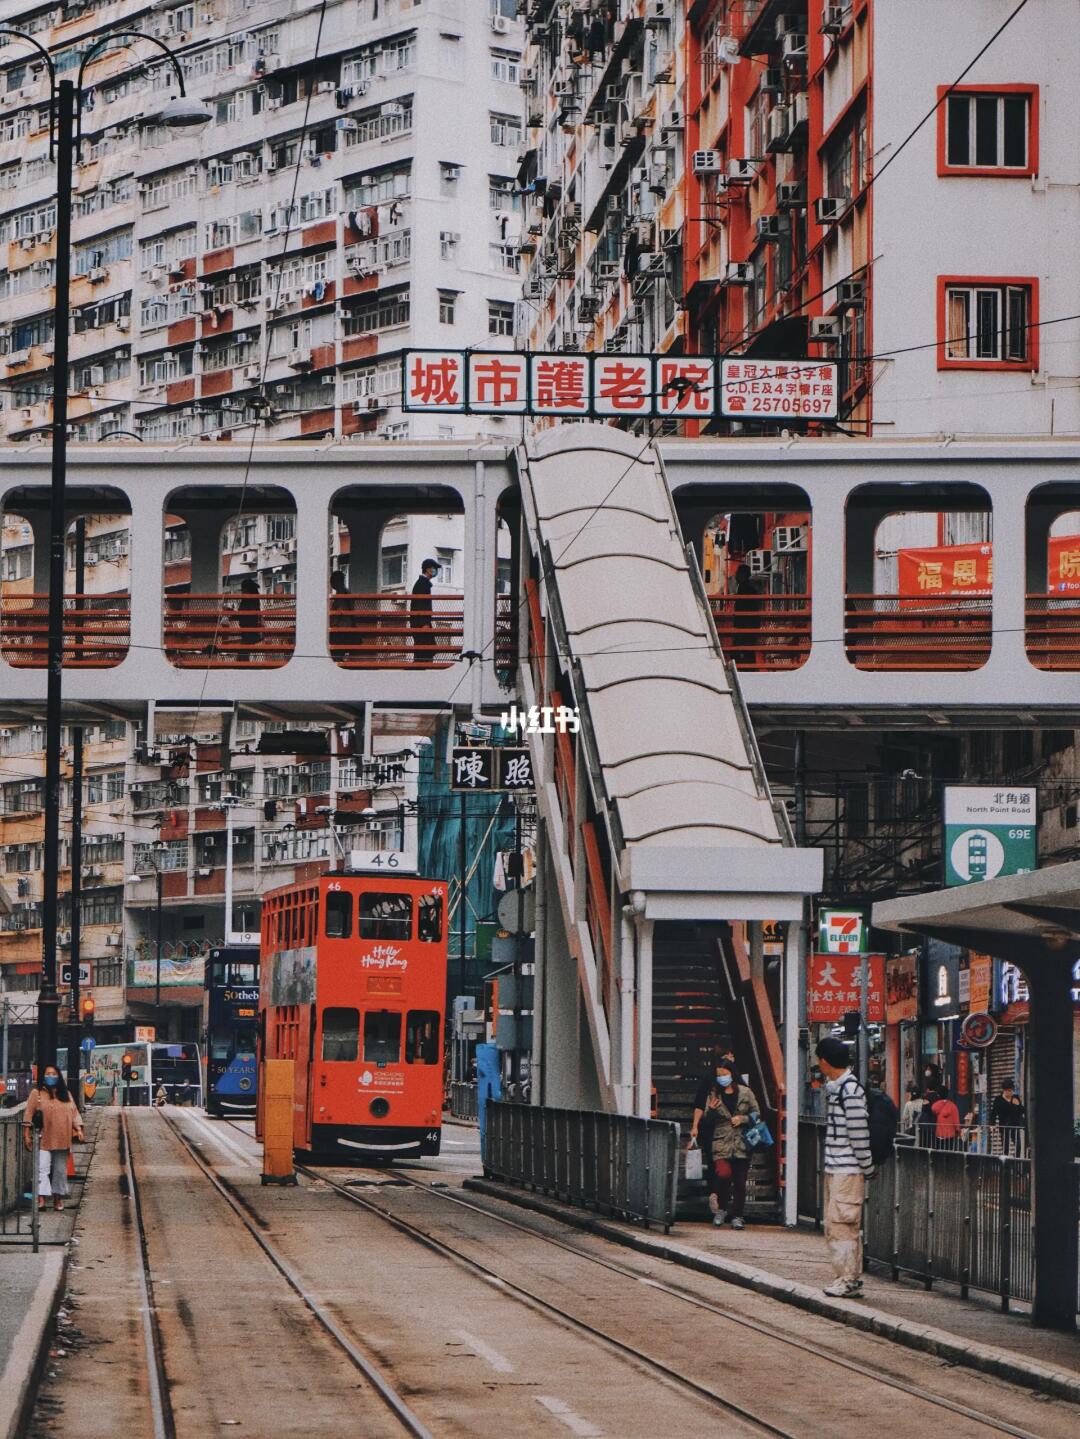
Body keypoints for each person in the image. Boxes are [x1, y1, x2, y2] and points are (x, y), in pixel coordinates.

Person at [815, 1036, 874, 1298]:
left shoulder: (849, 1090)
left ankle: (848, 1279)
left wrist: (866, 1166)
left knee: (842, 1225)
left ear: (824, 1061)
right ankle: (846, 1277)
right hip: (837, 1168)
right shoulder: (838, 1089)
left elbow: (858, 1132)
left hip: (847, 1170)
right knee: (836, 1225)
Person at [704, 1060, 760, 1230]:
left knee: (740, 1182)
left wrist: (743, 1119)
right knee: (723, 1174)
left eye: (724, 1074)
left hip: (742, 1143)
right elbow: (706, 1121)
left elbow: (756, 1114)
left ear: (732, 1074)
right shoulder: (714, 1094)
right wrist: (711, 1110)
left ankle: (737, 1216)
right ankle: (721, 1209)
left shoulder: (746, 1092)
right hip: (721, 1142)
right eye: (718, 1075)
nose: (722, 1078)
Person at [24, 1066, 84, 1212]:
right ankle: (41, 1198)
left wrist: (79, 1129)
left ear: (59, 1077)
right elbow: (28, 1114)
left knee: (60, 1171)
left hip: (62, 1138)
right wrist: (26, 1135)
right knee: (42, 1169)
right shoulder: (36, 1093)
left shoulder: (66, 1094)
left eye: (53, 1074)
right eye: (48, 1074)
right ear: (43, 1077)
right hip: (43, 1138)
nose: (50, 1076)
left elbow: (74, 1113)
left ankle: (58, 1198)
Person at [690, 1046, 740, 1219]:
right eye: (728, 1055)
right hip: (712, 1128)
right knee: (716, 1164)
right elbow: (699, 1104)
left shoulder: (738, 1081)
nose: (730, 1058)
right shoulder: (710, 1079)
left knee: (726, 1166)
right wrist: (695, 1126)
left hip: (731, 1130)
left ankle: (719, 1196)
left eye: (731, 1055)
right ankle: (715, 1194)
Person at [409, 557, 440, 664]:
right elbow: (421, 604)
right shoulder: (423, 584)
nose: (436, 571)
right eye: (434, 568)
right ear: (427, 569)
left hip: (420, 623)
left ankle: (421, 670)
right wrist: (424, 623)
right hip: (421, 624)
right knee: (424, 651)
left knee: (424, 650)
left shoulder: (422, 583)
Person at [730, 563, 760, 667]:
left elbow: (742, 608)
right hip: (750, 626)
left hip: (744, 626)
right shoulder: (750, 588)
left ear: (743, 575)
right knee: (748, 652)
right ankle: (749, 668)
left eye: (737, 573)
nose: (736, 575)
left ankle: (739, 669)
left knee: (738, 651)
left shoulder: (744, 589)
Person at [989, 1081, 1027, 1156]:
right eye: (1009, 1090)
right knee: (1005, 1147)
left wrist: (1018, 1105)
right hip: (1004, 1126)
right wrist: (992, 1124)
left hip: (1015, 1125)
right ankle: (1006, 1162)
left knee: (1018, 1146)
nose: (1011, 1092)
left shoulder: (1015, 1097)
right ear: (1004, 1090)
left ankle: (1016, 1161)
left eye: (1012, 1090)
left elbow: (1022, 1111)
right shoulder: (998, 1099)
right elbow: (993, 1113)